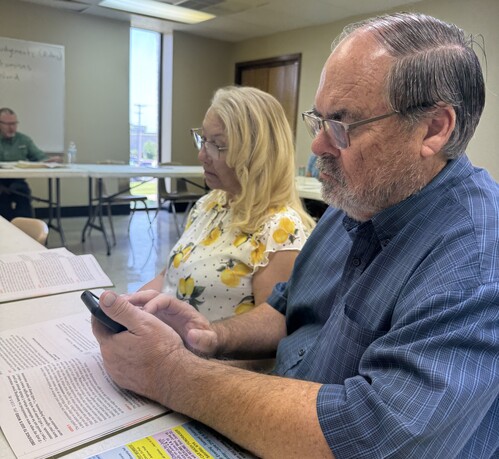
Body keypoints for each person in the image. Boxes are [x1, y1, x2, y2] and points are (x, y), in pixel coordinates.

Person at [92, 12, 498, 458]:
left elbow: (375, 436)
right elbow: (287, 310)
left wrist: (169, 373)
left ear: (434, 128)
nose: (318, 146)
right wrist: (210, 336)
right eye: (318, 120)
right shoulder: (357, 199)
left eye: (341, 125)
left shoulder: (477, 257)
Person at [139, 86, 315, 320]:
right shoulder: (209, 205)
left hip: (201, 345)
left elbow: (270, 331)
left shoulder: (281, 230)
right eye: (203, 139)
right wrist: (126, 307)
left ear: (255, 154)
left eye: (216, 145)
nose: (202, 156)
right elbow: (168, 277)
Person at [0, 108, 47, 220]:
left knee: (23, 196)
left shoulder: (23, 140)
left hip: (17, 181)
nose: (12, 127)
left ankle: (25, 227)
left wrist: (49, 161)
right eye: (8, 124)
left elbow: (39, 156)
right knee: (3, 201)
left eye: (14, 123)